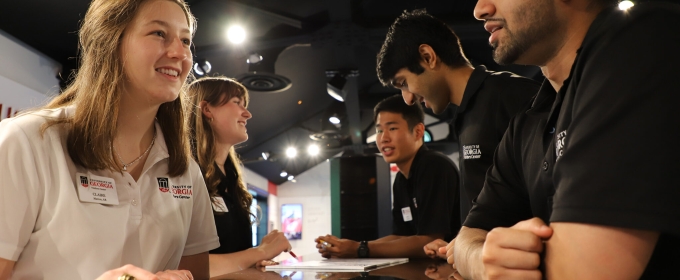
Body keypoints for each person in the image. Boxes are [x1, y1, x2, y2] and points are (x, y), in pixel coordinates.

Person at [448, 0, 680, 279]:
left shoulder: (640, 40)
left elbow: (585, 272)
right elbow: (466, 237)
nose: (480, 9)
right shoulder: (527, 122)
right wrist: (483, 262)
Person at [0, 0, 220, 279]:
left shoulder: (185, 170)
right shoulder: (26, 142)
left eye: (186, 40)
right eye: (159, 34)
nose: (180, 53)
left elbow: (195, 274)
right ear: (109, 41)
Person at [375, 9, 540, 259]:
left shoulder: (511, 96)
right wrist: (456, 245)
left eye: (404, 83)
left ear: (428, 56)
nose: (408, 99)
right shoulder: (464, 116)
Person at [315, 95, 460, 258]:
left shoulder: (433, 166)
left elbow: (430, 241)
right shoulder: (400, 179)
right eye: (379, 130)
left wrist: (358, 249)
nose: (383, 138)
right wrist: (345, 248)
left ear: (418, 131)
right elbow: (400, 236)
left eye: (392, 128)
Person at [188, 76, 292, 277]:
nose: (248, 114)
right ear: (207, 109)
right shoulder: (185, 174)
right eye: (237, 103)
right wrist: (259, 252)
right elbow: (188, 265)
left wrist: (256, 258)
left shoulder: (232, 180)